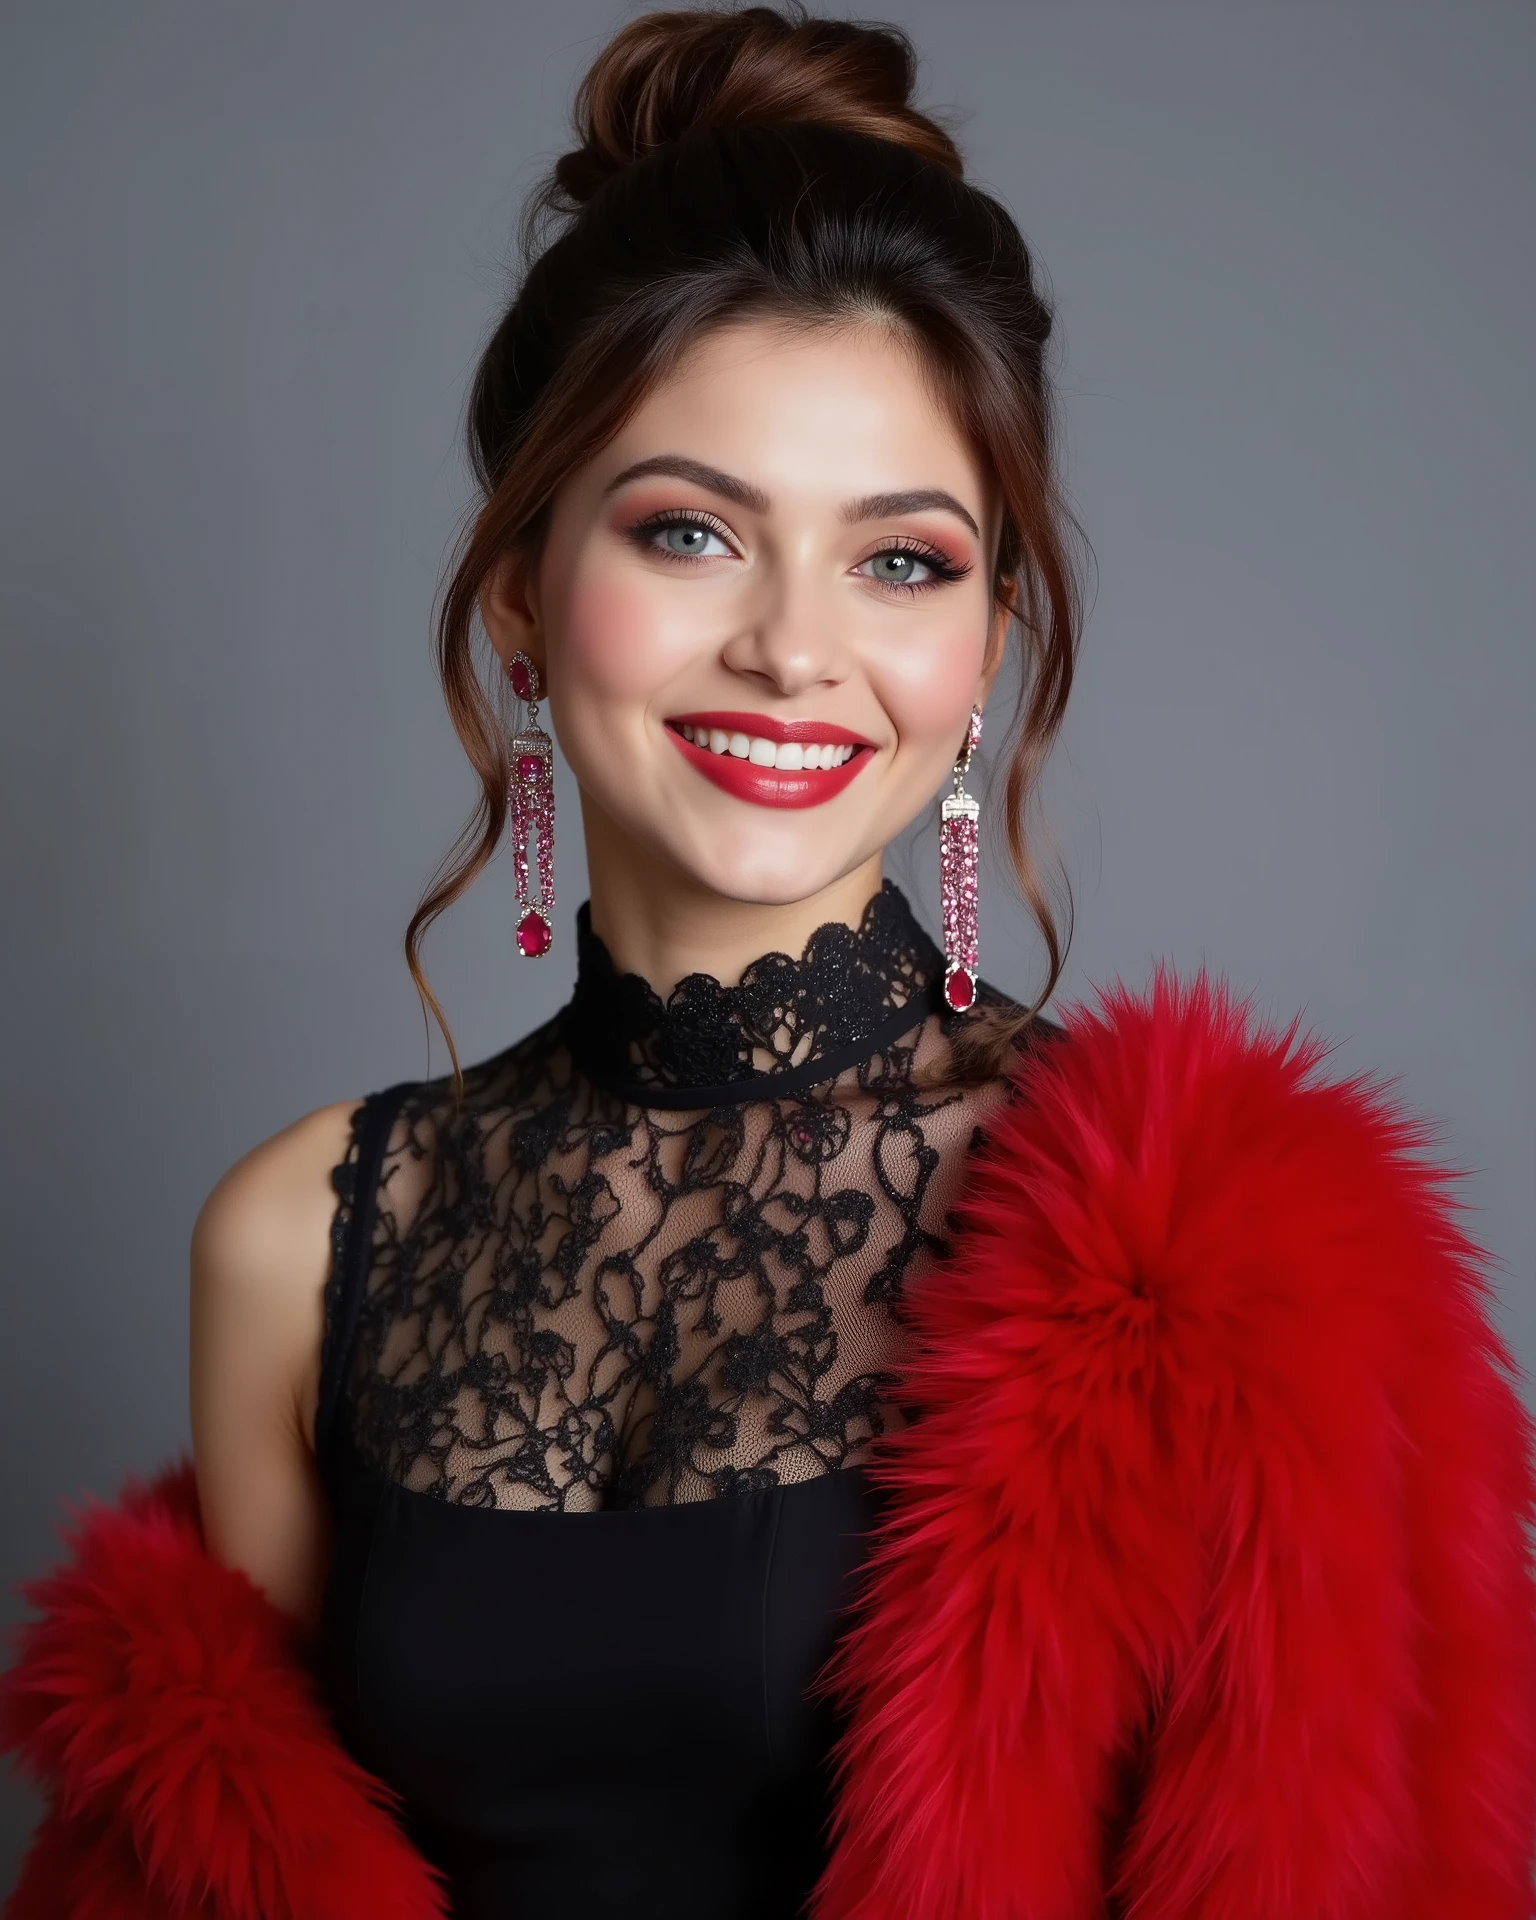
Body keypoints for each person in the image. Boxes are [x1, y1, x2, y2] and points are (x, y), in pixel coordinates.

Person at [4, 7, 1533, 1918]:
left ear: (988, 645)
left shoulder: (1238, 1247)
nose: (797, 649)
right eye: (691, 533)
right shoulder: (296, 1240)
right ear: (520, 597)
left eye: (903, 560)